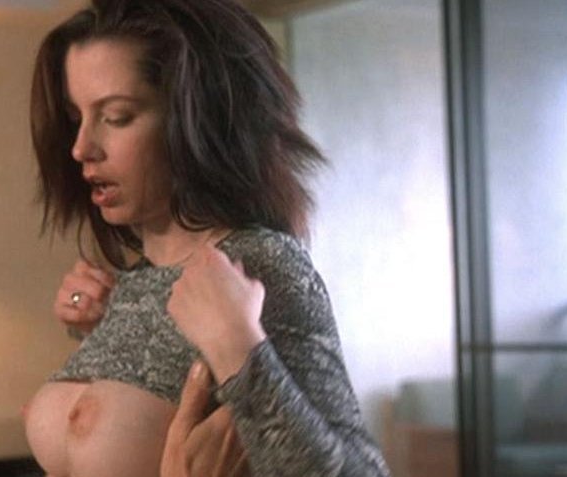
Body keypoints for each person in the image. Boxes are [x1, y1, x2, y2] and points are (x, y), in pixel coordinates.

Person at [21, 0, 392, 476]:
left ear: (195, 120)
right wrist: (97, 326)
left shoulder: (258, 265)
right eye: (77, 119)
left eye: (116, 117)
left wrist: (242, 350)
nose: (81, 148)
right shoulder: (129, 286)